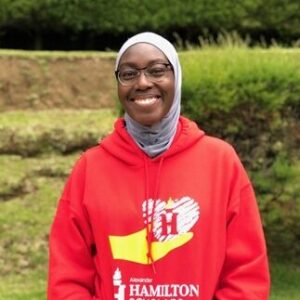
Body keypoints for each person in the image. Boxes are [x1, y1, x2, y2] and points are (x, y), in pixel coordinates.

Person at [48, 32, 270, 300]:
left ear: (176, 77)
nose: (142, 83)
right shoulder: (90, 168)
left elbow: (246, 274)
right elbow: (67, 277)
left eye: (157, 70)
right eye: (128, 74)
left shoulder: (221, 161)